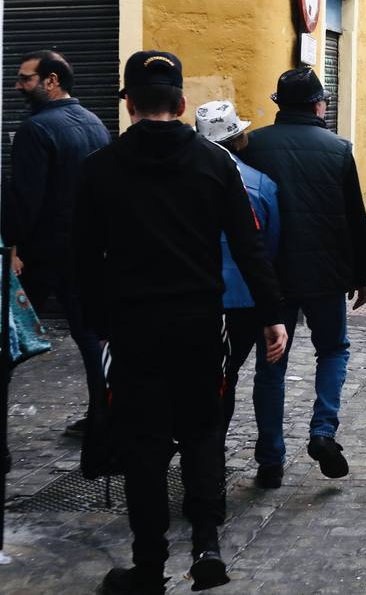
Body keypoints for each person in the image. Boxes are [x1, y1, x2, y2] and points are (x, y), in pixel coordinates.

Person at [74, 50, 287, 595]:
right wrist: (271, 315)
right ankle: (207, 547)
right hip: (200, 325)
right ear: (183, 103)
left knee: (143, 444)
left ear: (128, 105)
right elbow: (249, 247)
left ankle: (148, 565)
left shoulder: (99, 168)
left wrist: (98, 323)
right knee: (202, 432)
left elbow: (83, 259)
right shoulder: (216, 165)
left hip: (133, 328)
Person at [242, 68, 366, 488]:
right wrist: (360, 275)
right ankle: (322, 432)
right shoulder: (338, 149)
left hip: (271, 278)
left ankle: (270, 459)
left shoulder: (252, 145)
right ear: (319, 106)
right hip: (326, 276)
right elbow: (355, 218)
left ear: (280, 104)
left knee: (271, 365)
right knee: (332, 350)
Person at [3, 49, 110, 438]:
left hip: (41, 252)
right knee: (89, 337)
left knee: (7, 337)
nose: (17, 86)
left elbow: (25, 199)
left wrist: (11, 247)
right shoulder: (94, 122)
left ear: (51, 81)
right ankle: (102, 419)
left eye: (25, 78)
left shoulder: (35, 129)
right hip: (84, 250)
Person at [193, 101, 281, 456]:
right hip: (243, 298)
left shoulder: (184, 179)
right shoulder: (261, 183)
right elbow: (268, 247)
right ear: (239, 138)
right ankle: (210, 455)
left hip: (195, 293)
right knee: (224, 379)